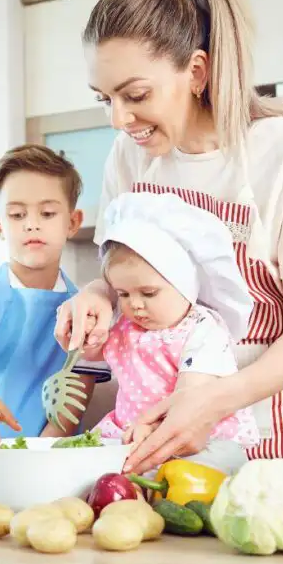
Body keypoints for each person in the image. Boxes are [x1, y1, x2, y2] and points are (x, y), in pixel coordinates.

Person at [54, 0, 283, 482]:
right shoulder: (129, 157)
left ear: (196, 71)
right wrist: (98, 294)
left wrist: (212, 401)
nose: (118, 120)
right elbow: (120, 272)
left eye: (135, 95)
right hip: (158, 437)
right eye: (105, 99)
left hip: (272, 428)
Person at [84, 191, 259, 472]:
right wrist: (89, 335)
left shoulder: (203, 329)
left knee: (209, 467)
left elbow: (191, 391)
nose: (135, 304)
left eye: (148, 293)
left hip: (195, 439)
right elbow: (94, 354)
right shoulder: (126, 326)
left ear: (185, 285)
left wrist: (154, 428)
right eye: (123, 294)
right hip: (132, 434)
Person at [0, 144, 110, 445]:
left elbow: (74, 402)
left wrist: (38, 454)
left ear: (72, 222)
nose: (32, 224)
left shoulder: (85, 311)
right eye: (17, 214)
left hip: (51, 453)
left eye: (47, 213)